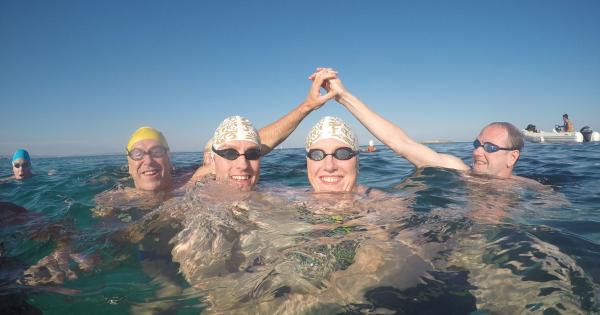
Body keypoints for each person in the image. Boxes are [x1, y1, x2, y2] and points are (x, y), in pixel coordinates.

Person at [315, 69, 526, 180]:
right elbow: (402, 144)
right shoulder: (460, 171)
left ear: (512, 156)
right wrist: (343, 97)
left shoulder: (533, 192)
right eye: (476, 144)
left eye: (489, 147)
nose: (478, 153)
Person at [189, 68, 338, 190]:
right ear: (211, 159)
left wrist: (308, 105)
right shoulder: (191, 184)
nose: (242, 164)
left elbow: (250, 143)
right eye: (229, 153)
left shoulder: (271, 193)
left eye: (252, 154)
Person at [126, 126, 173, 192]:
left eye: (157, 152)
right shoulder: (111, 200)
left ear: (168, 160)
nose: (148, 161)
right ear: (129, 167)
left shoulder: (190, 185)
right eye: (138, 154)